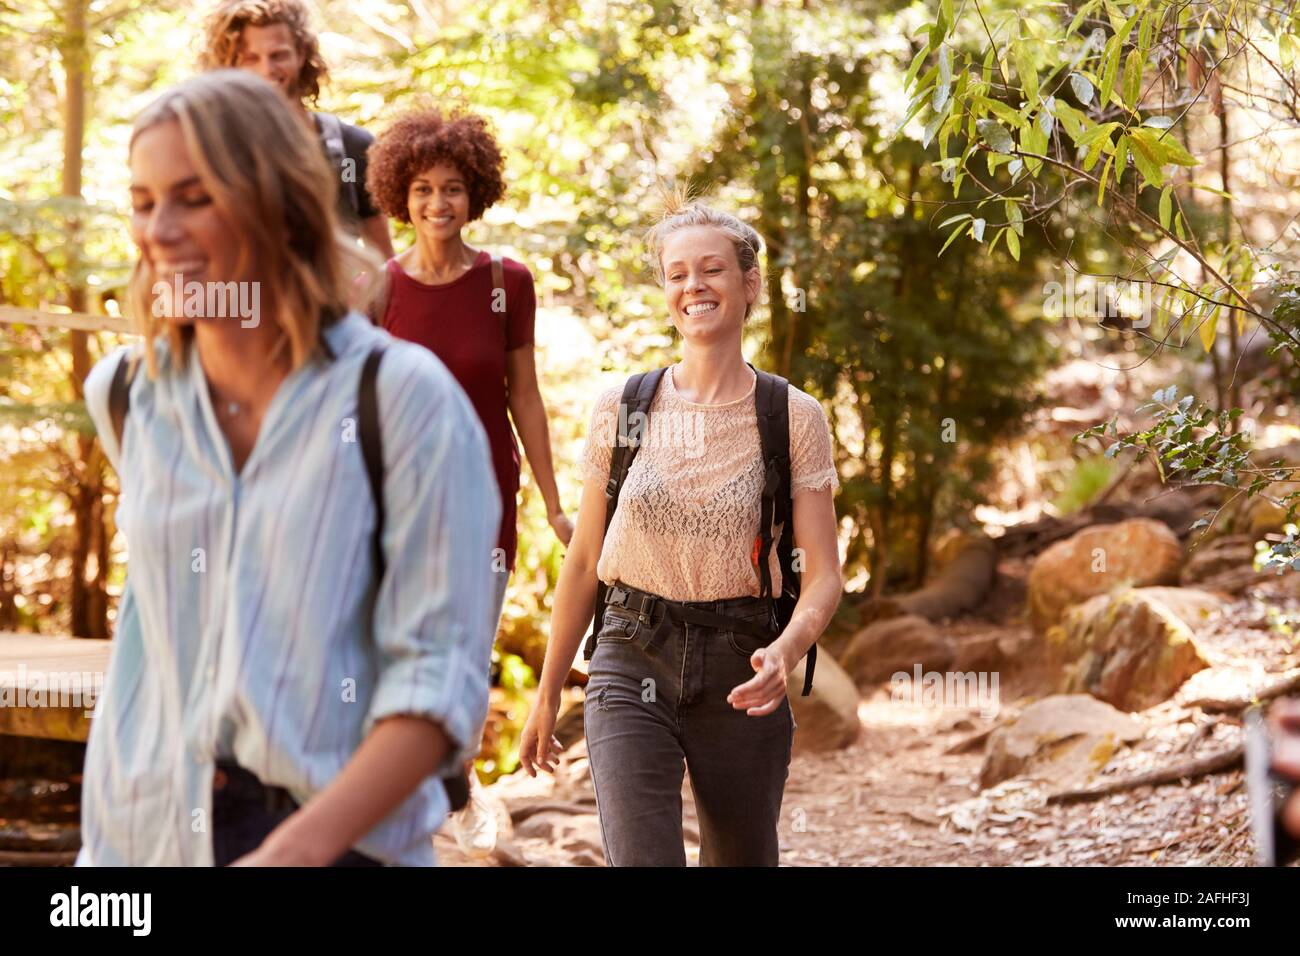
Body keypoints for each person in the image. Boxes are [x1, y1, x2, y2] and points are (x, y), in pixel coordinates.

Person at [75, 69, 500, 866]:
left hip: (338, 844)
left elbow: (436, 680)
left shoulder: (402, 400)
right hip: (144, 840)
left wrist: (297, 851)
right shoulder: (128, 395)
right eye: (142, 201)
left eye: (194, 198)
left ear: (278, 203)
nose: (159, 230)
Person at [518, 192, 843, 866]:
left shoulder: (792, 416)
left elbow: (823, 576)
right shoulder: (624, 406)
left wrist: (785, 652)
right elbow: (584, 560)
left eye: (712, 269)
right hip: (629, 651)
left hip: (743, 661)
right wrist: (546, 695)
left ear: (750, 285)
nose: (694, 285)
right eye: (677, 273)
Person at [366, 107, 574, 855]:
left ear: (474, 192)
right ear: (401, 194)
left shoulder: (505, 282)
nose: (438, 203)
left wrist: (555, 504)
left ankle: (457, 784)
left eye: (452, 188)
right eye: (422, 189)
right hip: (398, 501)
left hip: (485, 495)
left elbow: (525, 396)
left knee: (469, 646)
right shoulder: (380, 288)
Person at [198, 0, 395, 258]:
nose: (267, 70)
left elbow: (383, 261)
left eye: (278, 55)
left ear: (300, 54)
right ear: (230, 66)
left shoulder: (351, 148)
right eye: (251, 58)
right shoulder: (214, 152)